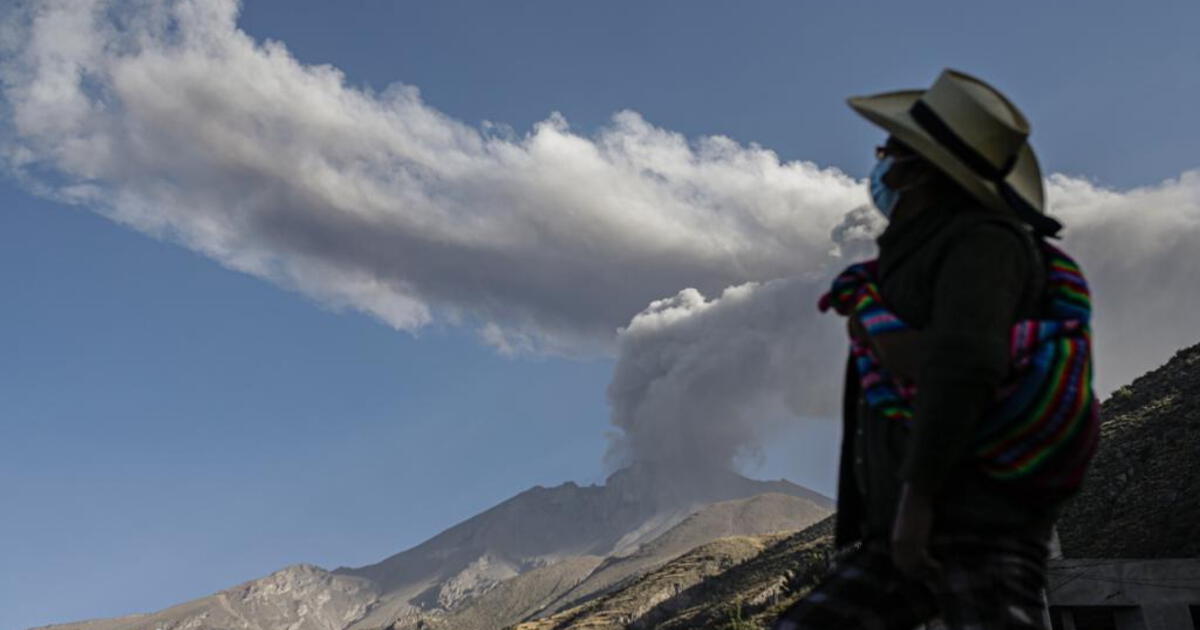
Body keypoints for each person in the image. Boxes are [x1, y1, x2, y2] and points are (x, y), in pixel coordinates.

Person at [773, 69, 1099, 630]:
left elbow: (963, 365)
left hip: (973, 521)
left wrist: (916, 504)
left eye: (889, 152)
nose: (881, 166)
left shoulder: (983, 243)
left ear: (921, 168)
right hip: (909, 528)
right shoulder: (912, 261)